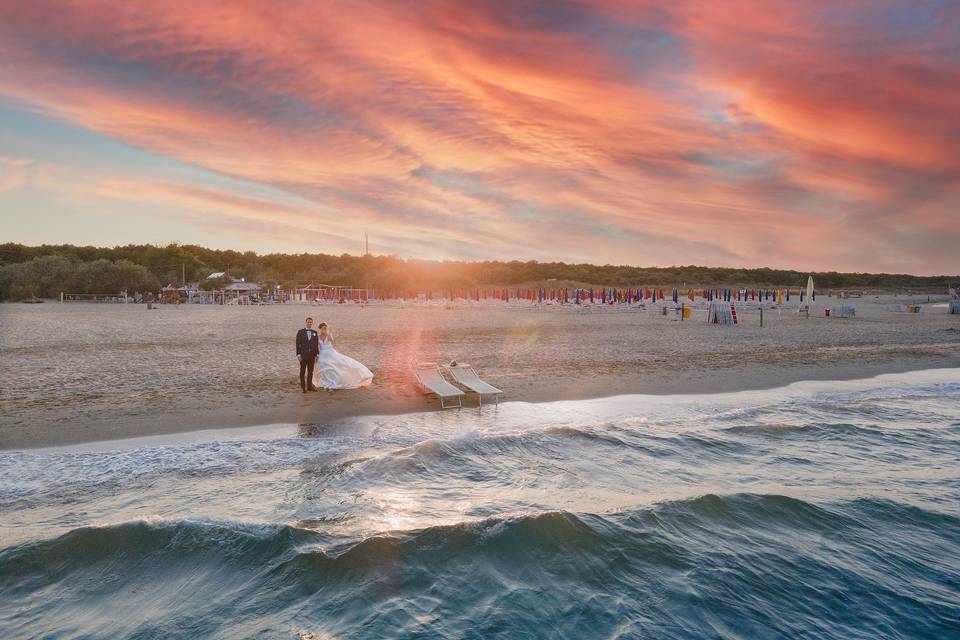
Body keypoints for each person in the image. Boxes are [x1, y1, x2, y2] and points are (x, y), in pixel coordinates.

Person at [313, 322, 373, 389]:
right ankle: (325, 381)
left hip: (330, 353)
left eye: (325, 328)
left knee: (338, 364)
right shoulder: (317, 337)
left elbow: (331, 340)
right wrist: (317, 355)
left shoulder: (328, 335)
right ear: (320, 329)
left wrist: (328, 333)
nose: (323, 330)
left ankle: (335, 380)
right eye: (322, 329)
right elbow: (317, 346)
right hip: (322, 353)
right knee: (323, 367)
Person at [296, 317, 320, 393]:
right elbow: (297, 344)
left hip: (312, 355)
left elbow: (316, 344)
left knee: (310, 371)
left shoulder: (315, 332)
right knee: (302, 371)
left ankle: (309, 386)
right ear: (306, 322)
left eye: (310, 322)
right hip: (303, 355)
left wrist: (317, 355)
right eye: (308, 322)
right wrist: (298, 354)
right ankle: (303, 387)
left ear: (312, 323)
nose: (309, 323)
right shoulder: (300, 332)